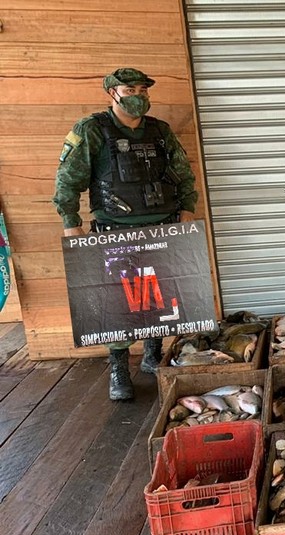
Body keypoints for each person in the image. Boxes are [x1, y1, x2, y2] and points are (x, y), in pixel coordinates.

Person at [53, 68, 199, 401]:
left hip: (163, 227)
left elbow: (182, 173)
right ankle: (118, 366)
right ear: (112, 94)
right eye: (129, 89)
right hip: (115, 231)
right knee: (118, 304)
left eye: (143, 90)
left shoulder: (159, 131)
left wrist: (187, 210)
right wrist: (70, 222)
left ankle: (152, 354)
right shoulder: (92, 131)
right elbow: (68, 179)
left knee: (159, 297)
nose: (138, 96)